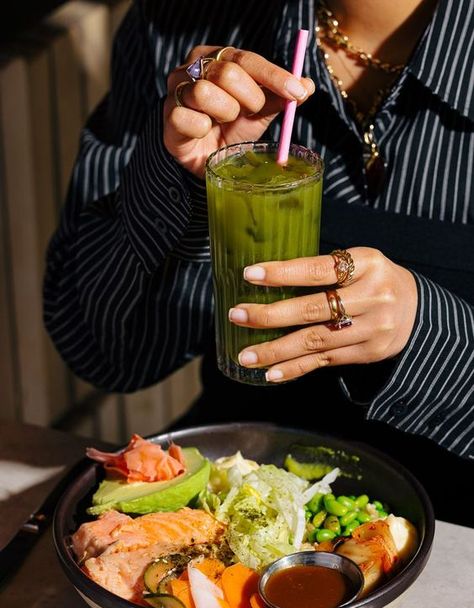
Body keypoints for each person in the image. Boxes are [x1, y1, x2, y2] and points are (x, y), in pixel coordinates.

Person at [43, 0, 474, 524]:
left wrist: (428, 331)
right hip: (237, 494)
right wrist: (178, 182)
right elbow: (104, 352)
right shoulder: (178, 29)